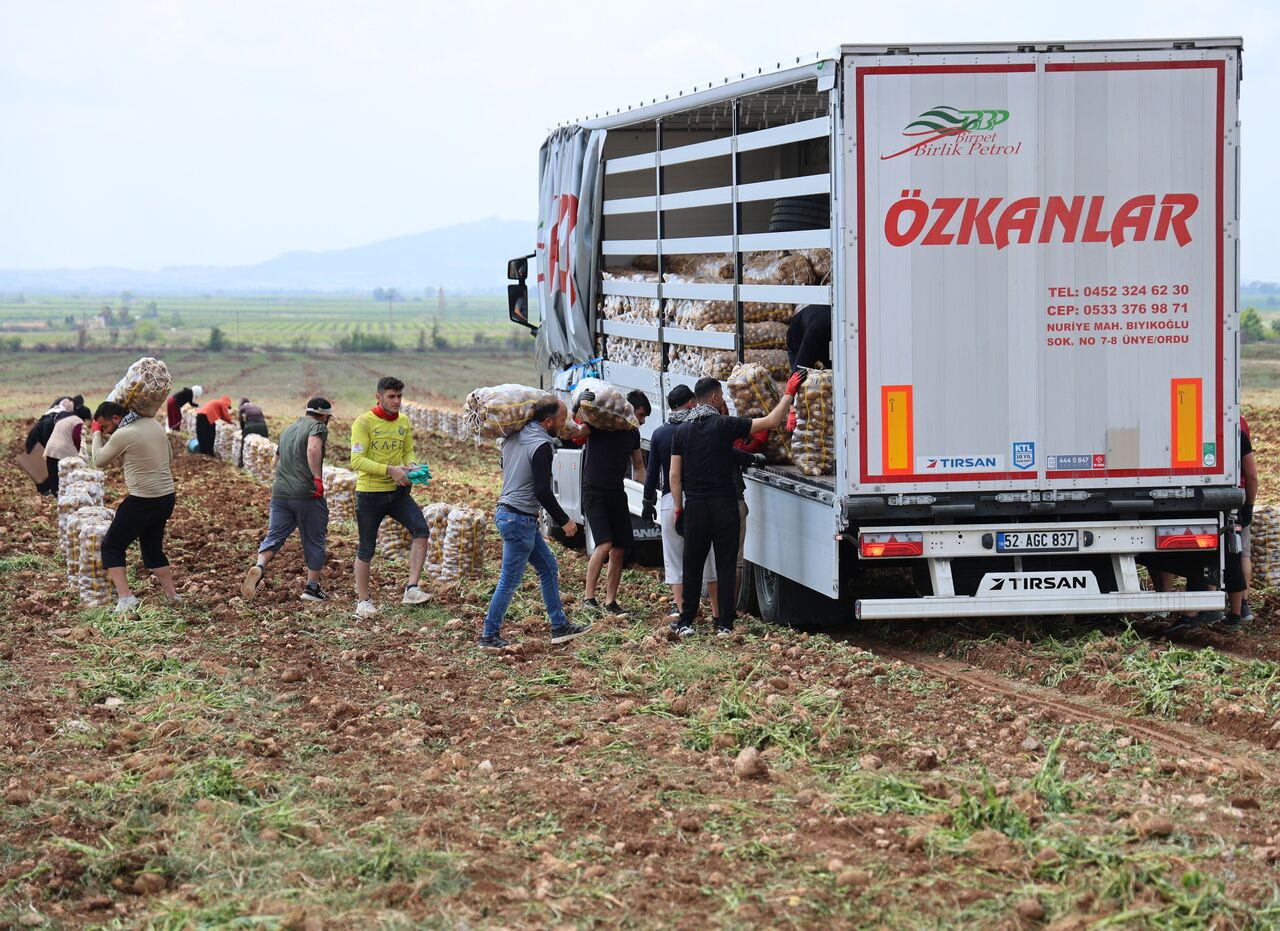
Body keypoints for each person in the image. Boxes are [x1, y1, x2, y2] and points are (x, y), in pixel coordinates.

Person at [670, 372, 804, 637]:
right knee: (726, 565)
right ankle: (724, 624)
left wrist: (678, 508)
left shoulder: (682, 431)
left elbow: (675, 475)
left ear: (696, 401)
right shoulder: (725, 425)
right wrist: (789, 392)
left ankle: (686, 621)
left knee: (693, 564)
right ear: (716, 397)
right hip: (724, 506)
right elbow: (772, 421)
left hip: (695, 507)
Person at [479, 398, 592, 649]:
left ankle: (559, 625)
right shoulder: (542, 446)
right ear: (548, 421)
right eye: (561, 421)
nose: (563, 426)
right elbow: (542, 490)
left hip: (511, 514)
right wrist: (564, 521)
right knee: (509, 579)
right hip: (519, 519)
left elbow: (505, 468)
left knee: (548, 567)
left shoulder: (512, 437)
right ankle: (489, 634)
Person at [349, 376, 431, 618]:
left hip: (398, 493)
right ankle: (363, 602)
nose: (396, 402)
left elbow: (407, 451)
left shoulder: (403, 422)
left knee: (421, 531)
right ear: (378, 397)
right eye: (391, 397)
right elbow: (357, 461)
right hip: (370, 494)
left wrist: (412, 466)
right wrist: (390, 470)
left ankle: (412, 588)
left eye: (399, 397)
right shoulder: (363, 423)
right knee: (366, 548)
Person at [89, 401, 179, 612]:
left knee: (111, 545)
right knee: (152, 546)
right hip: (166, 497)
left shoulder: (124, 433)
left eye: (105, 427)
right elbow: (170, 456)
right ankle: (172, 595)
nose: (105, 431)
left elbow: (99, 460)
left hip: (143, 500)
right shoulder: (153, 423)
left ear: (116, 419)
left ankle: (126, 598)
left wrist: (95, 434)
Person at [242, 398, 334, 604]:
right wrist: (317, 479)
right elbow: (312, 449)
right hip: (306, 494)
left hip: (280, 493)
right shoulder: (318, 427)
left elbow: (275, 461)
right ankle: (312, 588)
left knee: (275, 534)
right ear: (324, 415)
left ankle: (259, 566)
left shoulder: (289, 429)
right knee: (314, 539)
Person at [642, 385, 718, 621]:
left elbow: (652, 473)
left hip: (668, 501)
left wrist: (647, 501)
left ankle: (683, 611)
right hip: (698, 497)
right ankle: (717, 612)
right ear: (690, 403)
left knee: (674, 560)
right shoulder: (697, 428)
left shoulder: (660, 434)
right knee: (708, 560)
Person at [572, 388, 648, 616]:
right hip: (594, 490)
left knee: (619, 549)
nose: (642, 421)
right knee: (604, 544)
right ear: (628, 408)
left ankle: (610, 602)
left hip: (616, 491)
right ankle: (588, 598)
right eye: (642, 414)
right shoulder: (599, 424)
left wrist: (646, 496)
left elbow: (638, 466)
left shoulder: (632, 433)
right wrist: (577, 406)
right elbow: (573, 432)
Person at [25, 397, 75, 495]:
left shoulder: (52, 418)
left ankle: (51, 489)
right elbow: (50, 445)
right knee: (45, 468)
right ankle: (49, 491)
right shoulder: (49, 422)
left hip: (40, 444)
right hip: (36, 446)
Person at [43, 405, 93, 497]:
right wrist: (78, 452)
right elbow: (76, 437)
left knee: (53, 474)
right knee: (64, 475)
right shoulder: (78, 421)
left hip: (51, 448)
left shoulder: (65, 418)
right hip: (62, 450)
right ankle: (64, 496)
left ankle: (55, 494)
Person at [238, 398, 269, 467]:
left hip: (251, 425)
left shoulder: (242, 408)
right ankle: (266, 463)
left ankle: (241, 463)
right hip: (263, 425)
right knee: (265, 444)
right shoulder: (256, 407)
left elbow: (241, 420)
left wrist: (243, 430)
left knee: (244, 442)